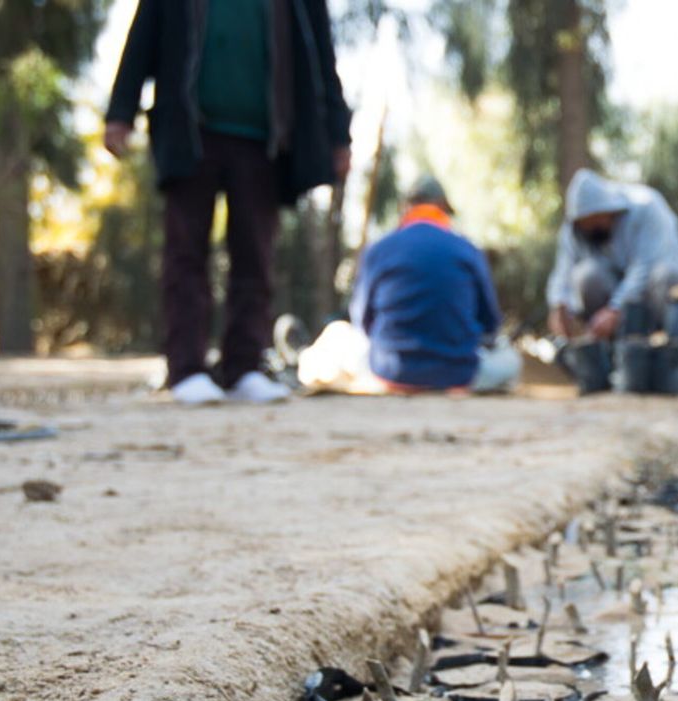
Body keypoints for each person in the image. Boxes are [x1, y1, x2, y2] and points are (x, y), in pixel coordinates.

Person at [104, 0, 352, 405]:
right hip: (190, 133)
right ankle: (186, 370)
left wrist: (339, 136)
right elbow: (142, 38)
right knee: (184, 253)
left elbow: (323, 59)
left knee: (256, 255)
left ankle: (245, 368)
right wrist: (120, 112)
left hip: (264, 139)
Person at [295, 177, 519, 395]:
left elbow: (361, 321)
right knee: (511, 360)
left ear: (406, 207)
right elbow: (490, 324)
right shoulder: (469, 250)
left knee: (336, 334)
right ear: (442, 207)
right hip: (457, 374)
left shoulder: (379, 249)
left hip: (388, 371)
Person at [546, 169, 678, 342]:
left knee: (667, 275)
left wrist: (615, 309)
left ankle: (674, 349)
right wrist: (559, 304)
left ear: (607, 210)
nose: (590, 228)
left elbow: (645, 266)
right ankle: (608, 350)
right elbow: (564, 269)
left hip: (656, 294)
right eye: (586, 225)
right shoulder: (577, 229)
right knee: (587, 275)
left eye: (595, 221)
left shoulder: (648, 205)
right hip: (619, 300)